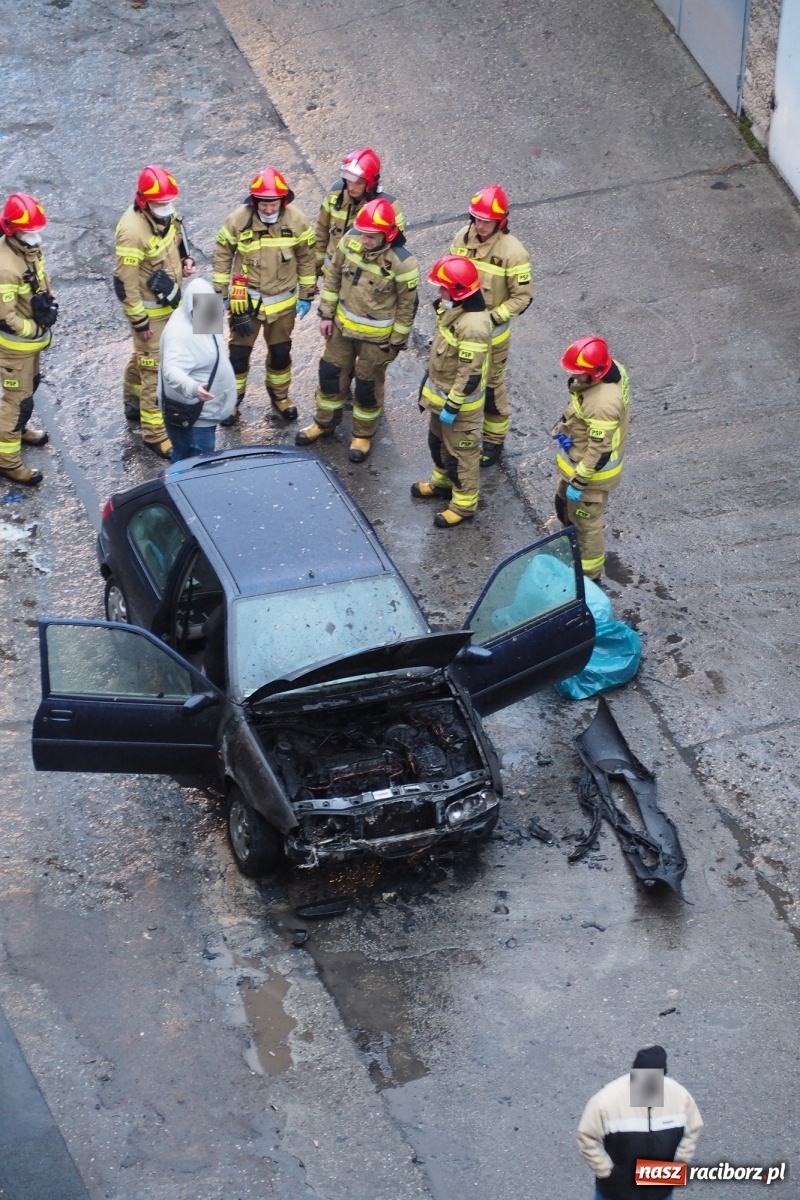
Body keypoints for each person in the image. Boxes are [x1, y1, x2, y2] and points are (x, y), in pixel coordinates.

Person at [296, 198, 418, 463]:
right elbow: (333, 278)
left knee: (367, 386)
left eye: (372, 236)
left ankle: (363, 435)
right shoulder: (350, 241)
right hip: (341, 329)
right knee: (330, 375)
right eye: (363, 233)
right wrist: (326, 314)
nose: (365, 240)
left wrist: (396, 343)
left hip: (376, 340)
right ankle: (323, 423)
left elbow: (407, 308)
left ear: (388, 235)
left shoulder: (403, 263)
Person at [211, 167, 316, 426]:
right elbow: (223, 255)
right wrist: (220, 294)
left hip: (282, 306)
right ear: (254, 201)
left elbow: (306, 259)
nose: (269, 210)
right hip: (244, 304)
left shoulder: (297, 222)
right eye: (264, 204)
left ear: (284, 201)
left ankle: (280, 397)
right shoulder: (238, 220)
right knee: (238, 355)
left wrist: (307, 295)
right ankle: (231, 401)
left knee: (281, 353)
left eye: (274, 203)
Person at [114, 166, 196, 460]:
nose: (166, 209)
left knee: (142, 358)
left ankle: (133, 404)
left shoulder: (164, 215)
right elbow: (125, 283)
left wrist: (186, 259)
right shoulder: (131, 232)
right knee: (155, 370)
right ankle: (154, 434)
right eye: (160, 204)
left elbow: (177, 237)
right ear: (144, 201)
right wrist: (140, 322)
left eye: (168, 203)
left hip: (169, 303)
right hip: (150, 313)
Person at [449, 185, 532, 467]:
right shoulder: (462, 237)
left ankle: (494, 441)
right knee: (461, 380)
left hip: (493, 336)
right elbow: (451, 275)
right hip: (460, 330)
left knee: (492, 389)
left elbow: (523, 297)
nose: (482, 226)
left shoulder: (514, 252)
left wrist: (492, 318)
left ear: (501, 221)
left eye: (488, 221)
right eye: (478, 219)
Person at [410, 255, 491, 528]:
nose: (439, 292)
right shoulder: (454, 311)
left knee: (461, 457)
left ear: (458, 291)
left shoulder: (473, 326)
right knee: (437, 444)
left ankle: (464, 505)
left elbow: (469, 374)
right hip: (441, 400)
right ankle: (442, 483)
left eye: (443, 288)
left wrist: (453, 406)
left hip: (458, 408)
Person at [577, 1045, 703, 1200]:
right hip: (614, 1193)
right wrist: (608, 1172)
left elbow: (693, 1129)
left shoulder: (680, 1098)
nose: (646, 1087)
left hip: (660, 1193)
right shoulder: (606, 1101)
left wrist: (677, 1165)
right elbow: (587, 1137)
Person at [552, 335, 630, 580]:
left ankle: (589, 574)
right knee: (564, 507)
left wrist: (579, 481)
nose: (574, 377)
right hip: (578, 464)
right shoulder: (607, 370)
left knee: (587, 524)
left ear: (595, 373)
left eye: (578, 373)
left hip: (591, 476)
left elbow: (599, 451)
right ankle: (571, 549)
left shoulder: (602, 403)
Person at [0, 193, 57, 487]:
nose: (35, 236)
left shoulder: (29, 247)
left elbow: (40, 277)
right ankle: (7, 461)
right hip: (16, 346)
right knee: (16, 401)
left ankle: (18, 431)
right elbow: (6, 318)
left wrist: (49, 299)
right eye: (28, 231)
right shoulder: (4, 266)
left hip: (31, 343)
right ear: (12, 231)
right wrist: (35, 329)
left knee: (29, 389)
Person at [159, 278, 236, 462]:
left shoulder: (201, 314)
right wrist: (193, 388)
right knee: (193, 462)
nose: (209, 317)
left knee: (196, 460)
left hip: (204, 413)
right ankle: (175, 488)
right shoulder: (179, 334)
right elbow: (171, 369)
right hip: (194, 419)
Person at [314, 147, 405, 278]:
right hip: (332, 276)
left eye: (358, 183)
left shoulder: (389, 207)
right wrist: (314, 271)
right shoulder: (335, 193)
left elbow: (394, 249)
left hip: (362, 284)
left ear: (370, 183)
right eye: (349, 180)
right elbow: (321, 232)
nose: (351, 187)